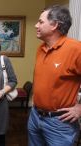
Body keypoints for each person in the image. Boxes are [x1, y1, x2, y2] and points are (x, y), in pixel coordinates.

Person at [28, 5, 81, 146]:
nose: (36, 25)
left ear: (54, 25)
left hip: (59, 124)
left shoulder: (76, 49)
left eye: (40, 22)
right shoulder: (41, 48)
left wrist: (79, 108)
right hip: (35, 116)